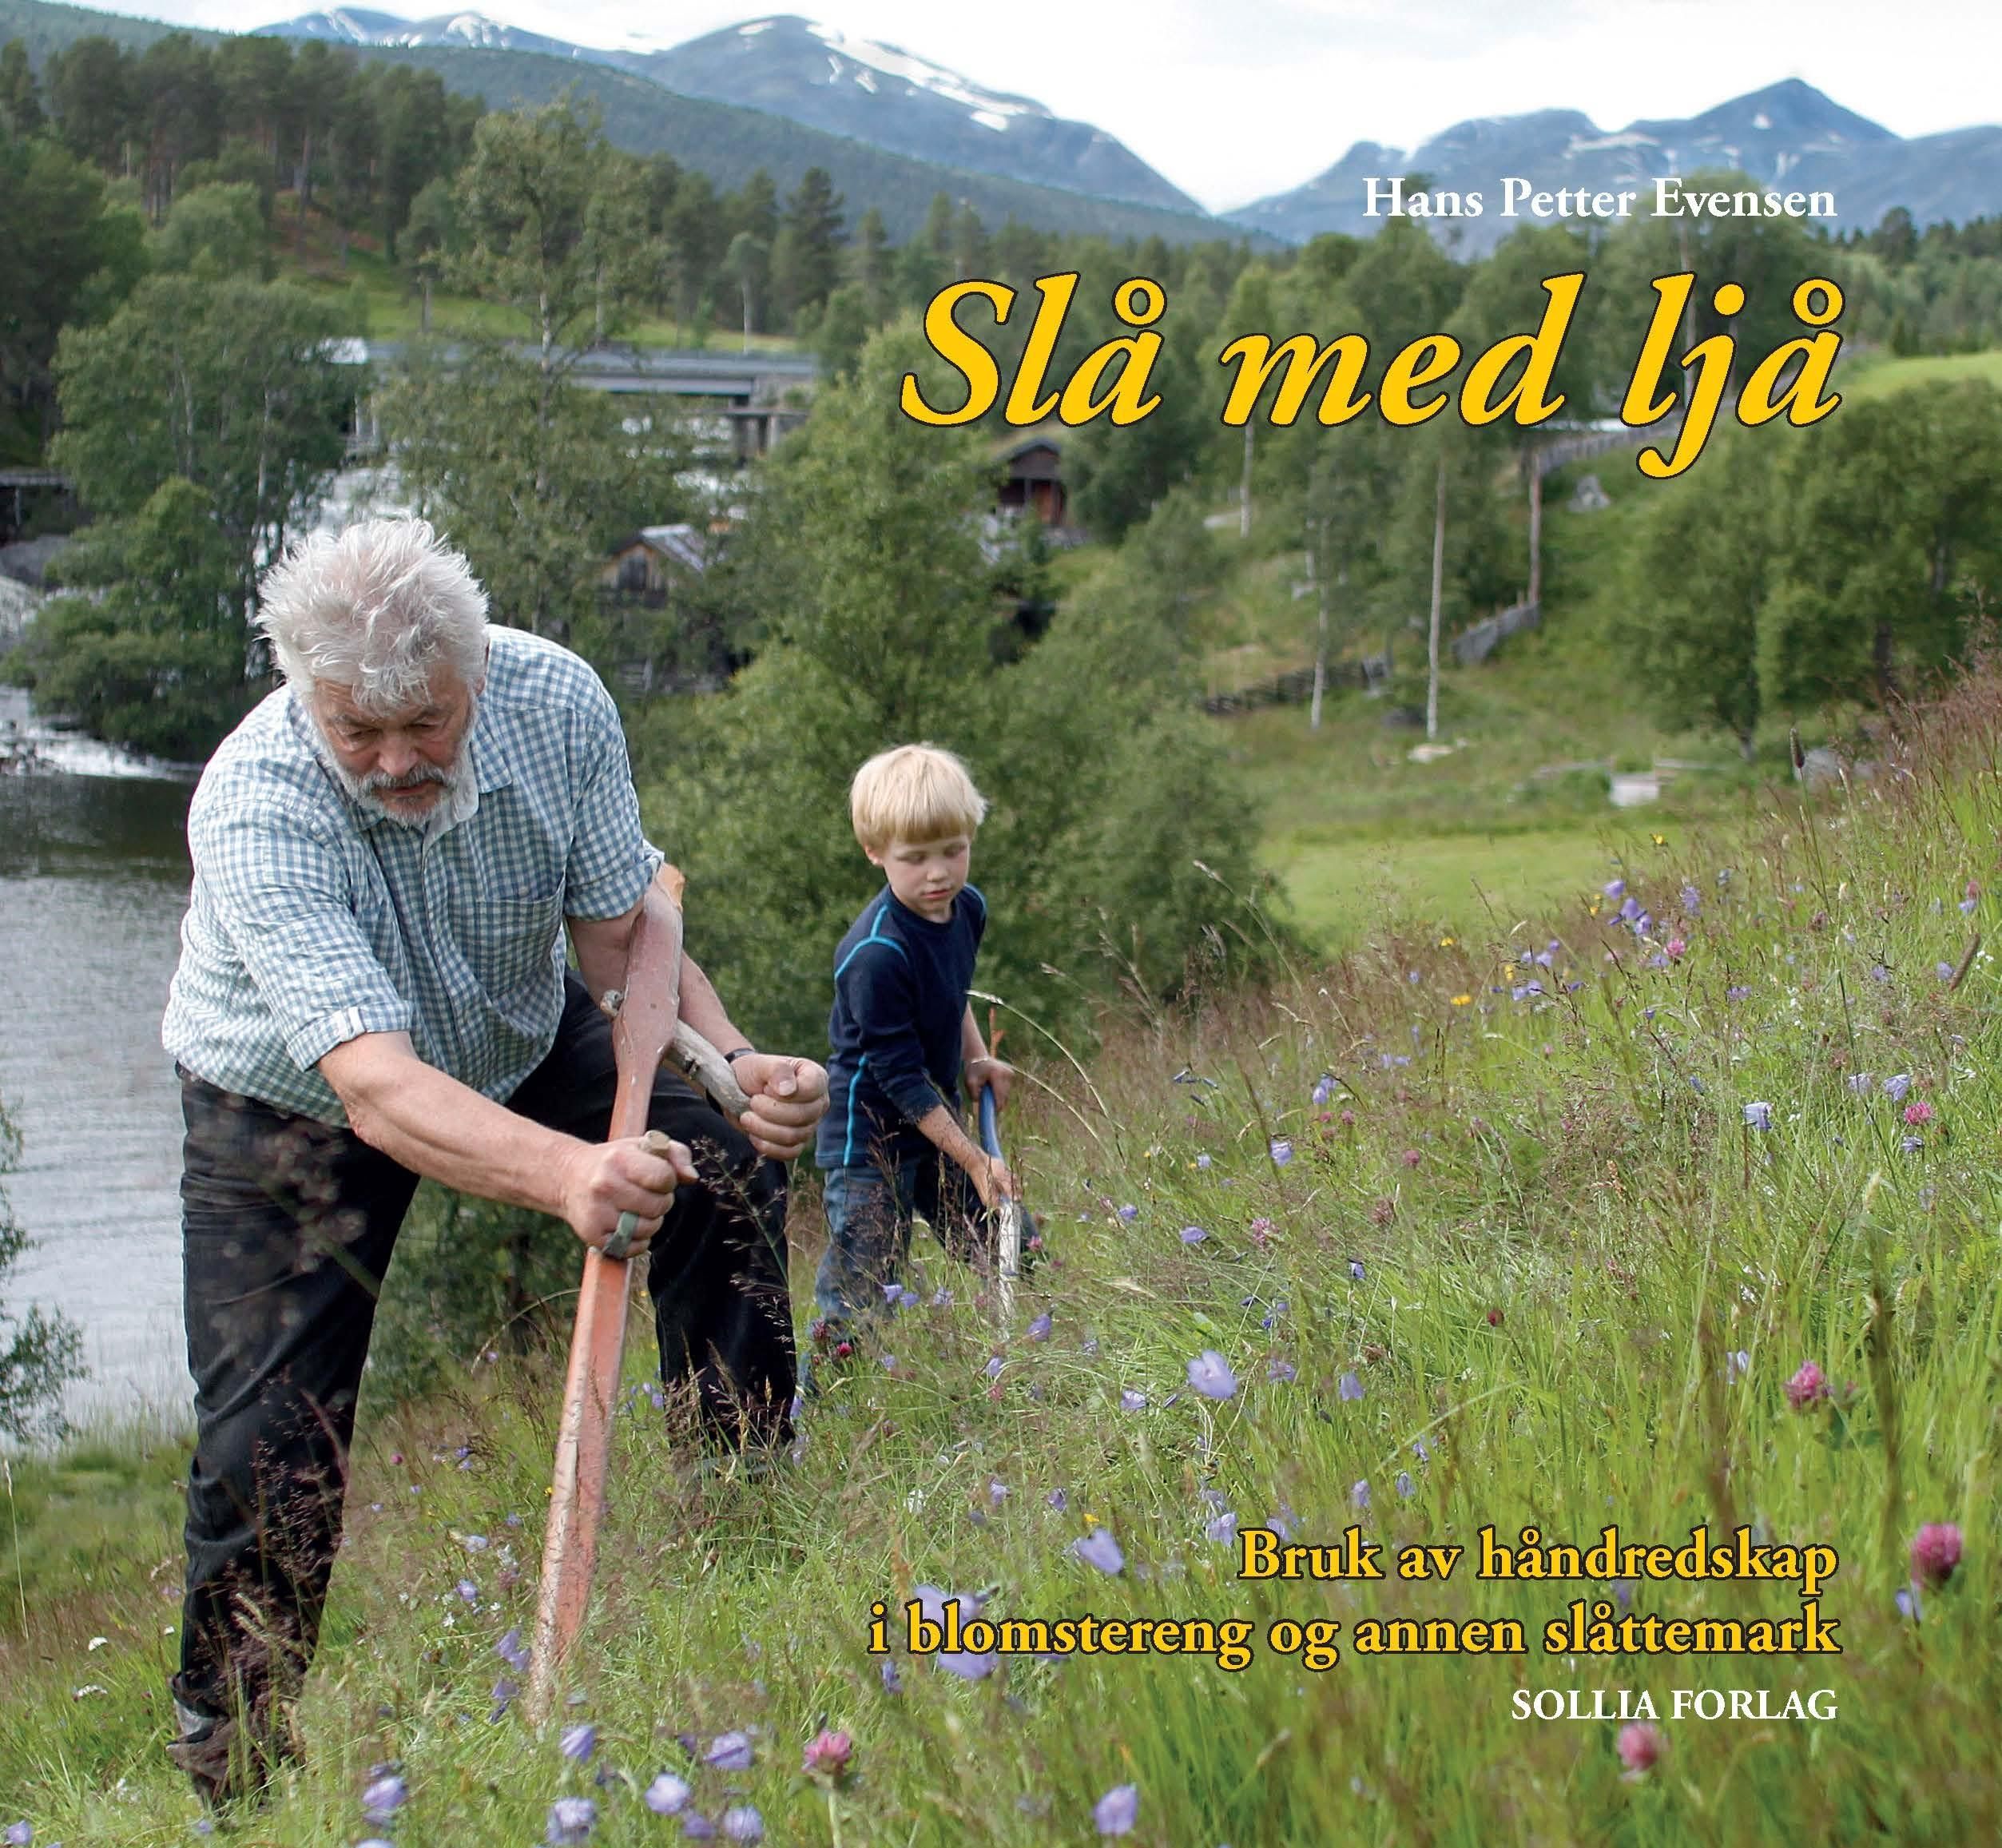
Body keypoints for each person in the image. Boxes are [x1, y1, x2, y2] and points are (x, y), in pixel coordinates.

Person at [157, 517, 828, 1804]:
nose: (399, 759)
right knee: (270, 1435)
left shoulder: (555, 700)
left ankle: (749, 1518)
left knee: (719, 1166)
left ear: (476, 672)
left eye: (429, 723)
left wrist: (732, 1066)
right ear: (309, 694)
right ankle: (234, 1758)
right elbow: (377, 1085)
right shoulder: (256, 801)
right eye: (363, 731)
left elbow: (623, 940)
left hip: (514, 1021)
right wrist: (573, 1178)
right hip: (293, 1099)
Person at [808, 744, 1020, 1373]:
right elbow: (898, 1076)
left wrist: (976, 1056)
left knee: (1010, 1244)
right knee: (860, 1299)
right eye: (915, 857)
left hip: (938, 1125)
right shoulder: (875, 955)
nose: (938, 874)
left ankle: (1028, 1365)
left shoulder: (966, 910)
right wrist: (975, 1157)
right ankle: (818, 1420)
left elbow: (948, 993)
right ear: (876, 852)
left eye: (953, 850)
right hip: (870, 1142)